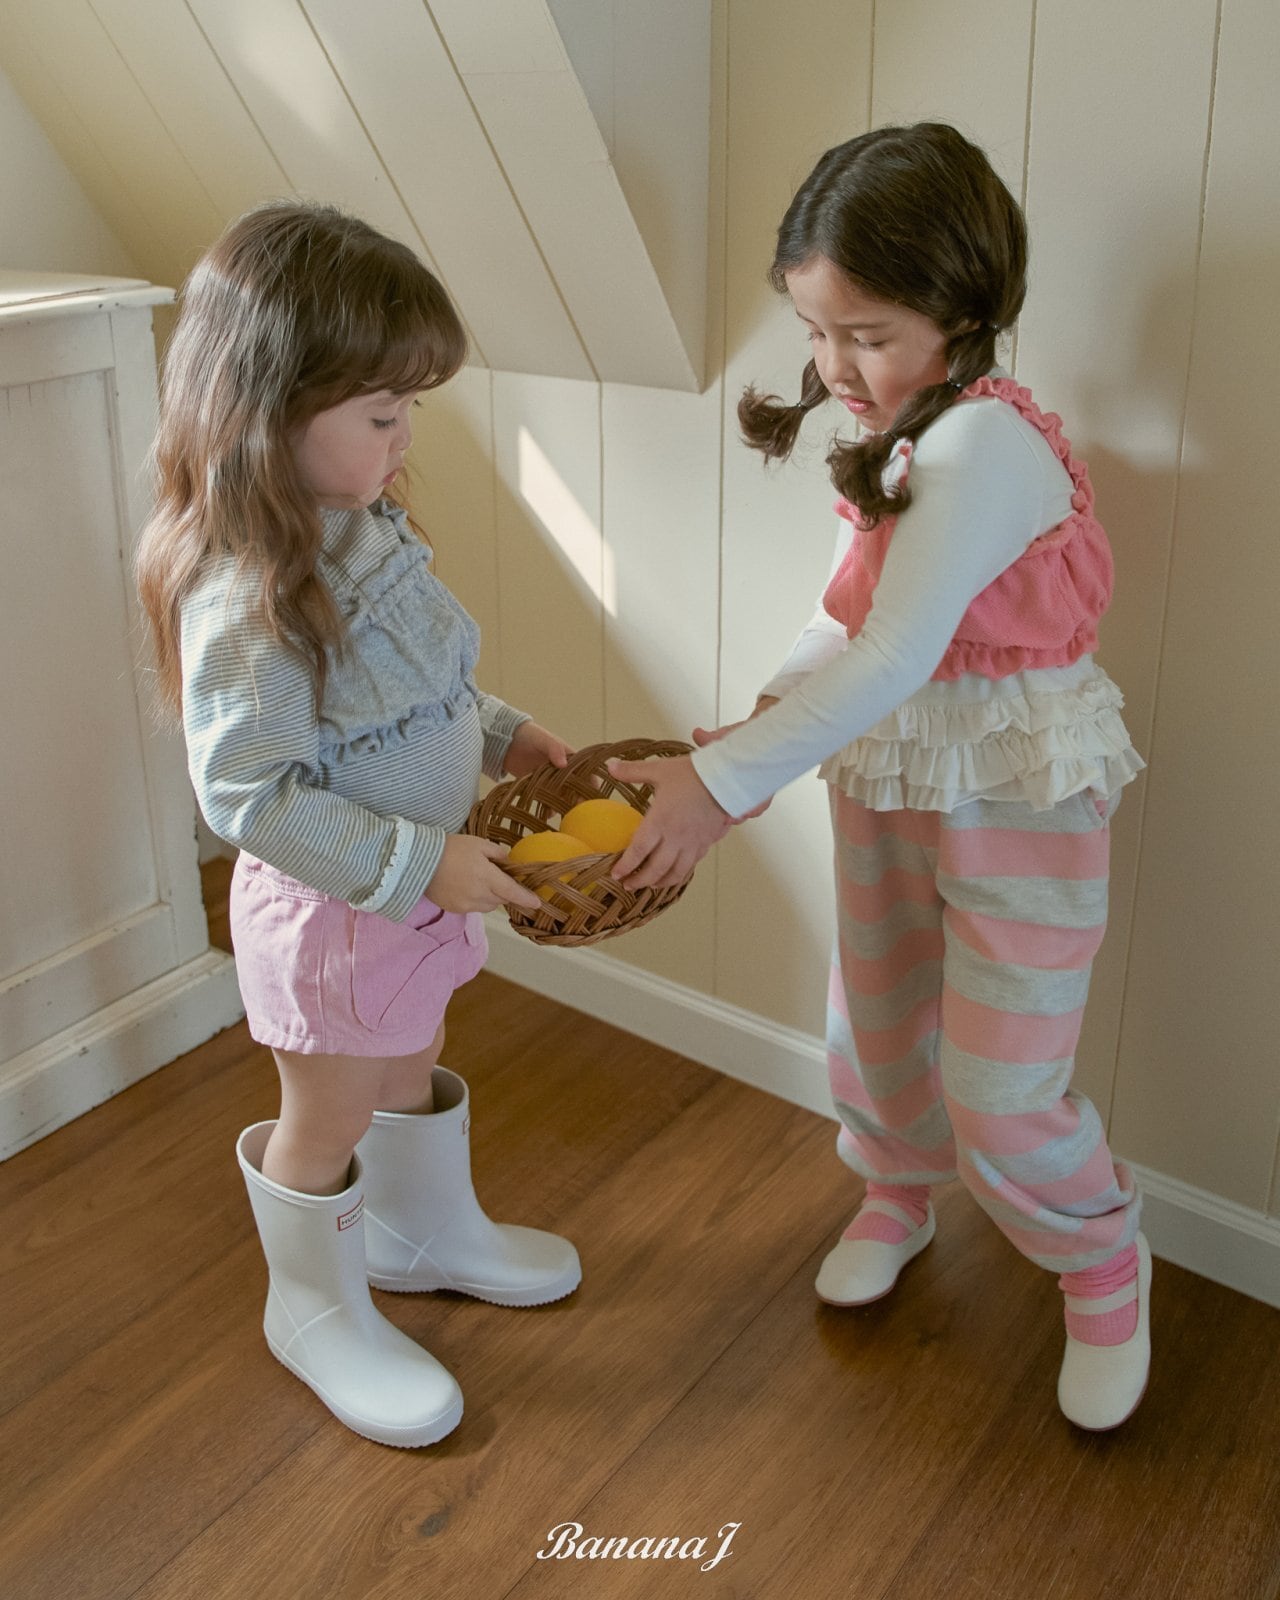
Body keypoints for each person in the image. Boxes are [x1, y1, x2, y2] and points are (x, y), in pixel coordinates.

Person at [609, 123, 1150, 1431]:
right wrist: (762, 717)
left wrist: (722, 786)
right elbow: (845, 613)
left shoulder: (982, 447)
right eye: (814, 330)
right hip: (892, 771)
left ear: (962, 310)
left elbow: (902, 649)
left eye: (866, 334)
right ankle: (898, 1190)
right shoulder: (905, 433)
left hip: (1013, 786)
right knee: (878, 1016)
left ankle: (1099, 1263)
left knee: (1002, 1083)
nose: (832, 366)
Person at [135, 201, 580, 1449]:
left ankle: (418, 1230)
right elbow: (250, 796)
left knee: (406, 1058)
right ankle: (312, 1308)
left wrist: (500, 733)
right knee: (327, 1114)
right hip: (337, 911)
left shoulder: (360, 530)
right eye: (382, 415)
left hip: (408, 898)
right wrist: (422, 862)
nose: (405, 439)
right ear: (268, 412)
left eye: (408, 410)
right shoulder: (251, 593)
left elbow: (414, 690)